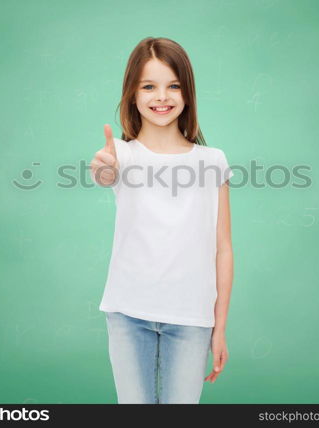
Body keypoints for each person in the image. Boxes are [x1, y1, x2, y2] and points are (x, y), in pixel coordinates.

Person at [89, 37, 234, 404]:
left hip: (191, 319)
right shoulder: (120, 154)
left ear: (187, 93)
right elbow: (105, 173)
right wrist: (104, 170)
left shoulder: (212, 161)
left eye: (173, 86)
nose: (162, 96)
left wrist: (220, 328)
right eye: (149, 86)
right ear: (133, 95)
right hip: (128, 313)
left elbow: (223, 248)